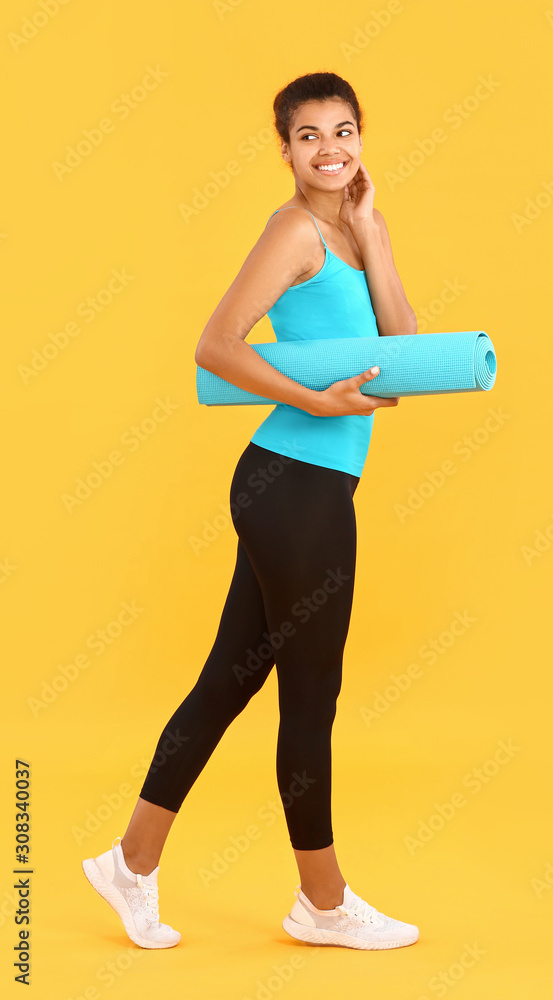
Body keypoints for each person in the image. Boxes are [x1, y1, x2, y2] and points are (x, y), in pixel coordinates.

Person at [82, 71, 420, 951]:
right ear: (285, 150)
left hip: (308, 487)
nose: (330, 148)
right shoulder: (294, 231)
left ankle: (130, 863)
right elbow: (217, 344)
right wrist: (314, 402)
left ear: (360, 138)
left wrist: (376, 232)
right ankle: (322, 900)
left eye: (343, 130)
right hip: (293, 483)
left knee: (230, 681)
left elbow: (406, 355)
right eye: (309, 136)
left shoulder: (351, 228)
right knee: (310, 697)